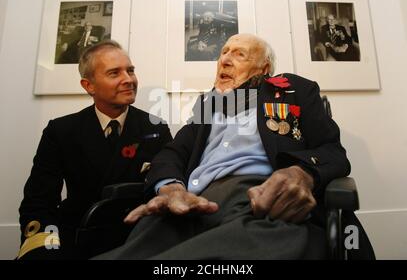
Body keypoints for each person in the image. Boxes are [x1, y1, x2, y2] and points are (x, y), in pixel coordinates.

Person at [93, 34, 350, 260]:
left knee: (283, 240)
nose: (225, 60)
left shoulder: (295, 90)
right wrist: (170, 188)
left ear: (265, 68)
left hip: (258, 199)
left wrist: (300, 173)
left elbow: (332, 151)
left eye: (240, 55)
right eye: (224, 53)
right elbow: (172, 153)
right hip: (191, 203)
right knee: (141, 242)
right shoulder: (207, 104)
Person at [18, 40, 172, 259]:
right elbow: (39, 200)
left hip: (137, 240)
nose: (128, 79)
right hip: (78, 239)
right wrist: (46, 248)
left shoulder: (155, 127)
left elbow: (167, 186)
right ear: (88, 85)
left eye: (130, 71)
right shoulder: (61, 131)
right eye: (114, 73)